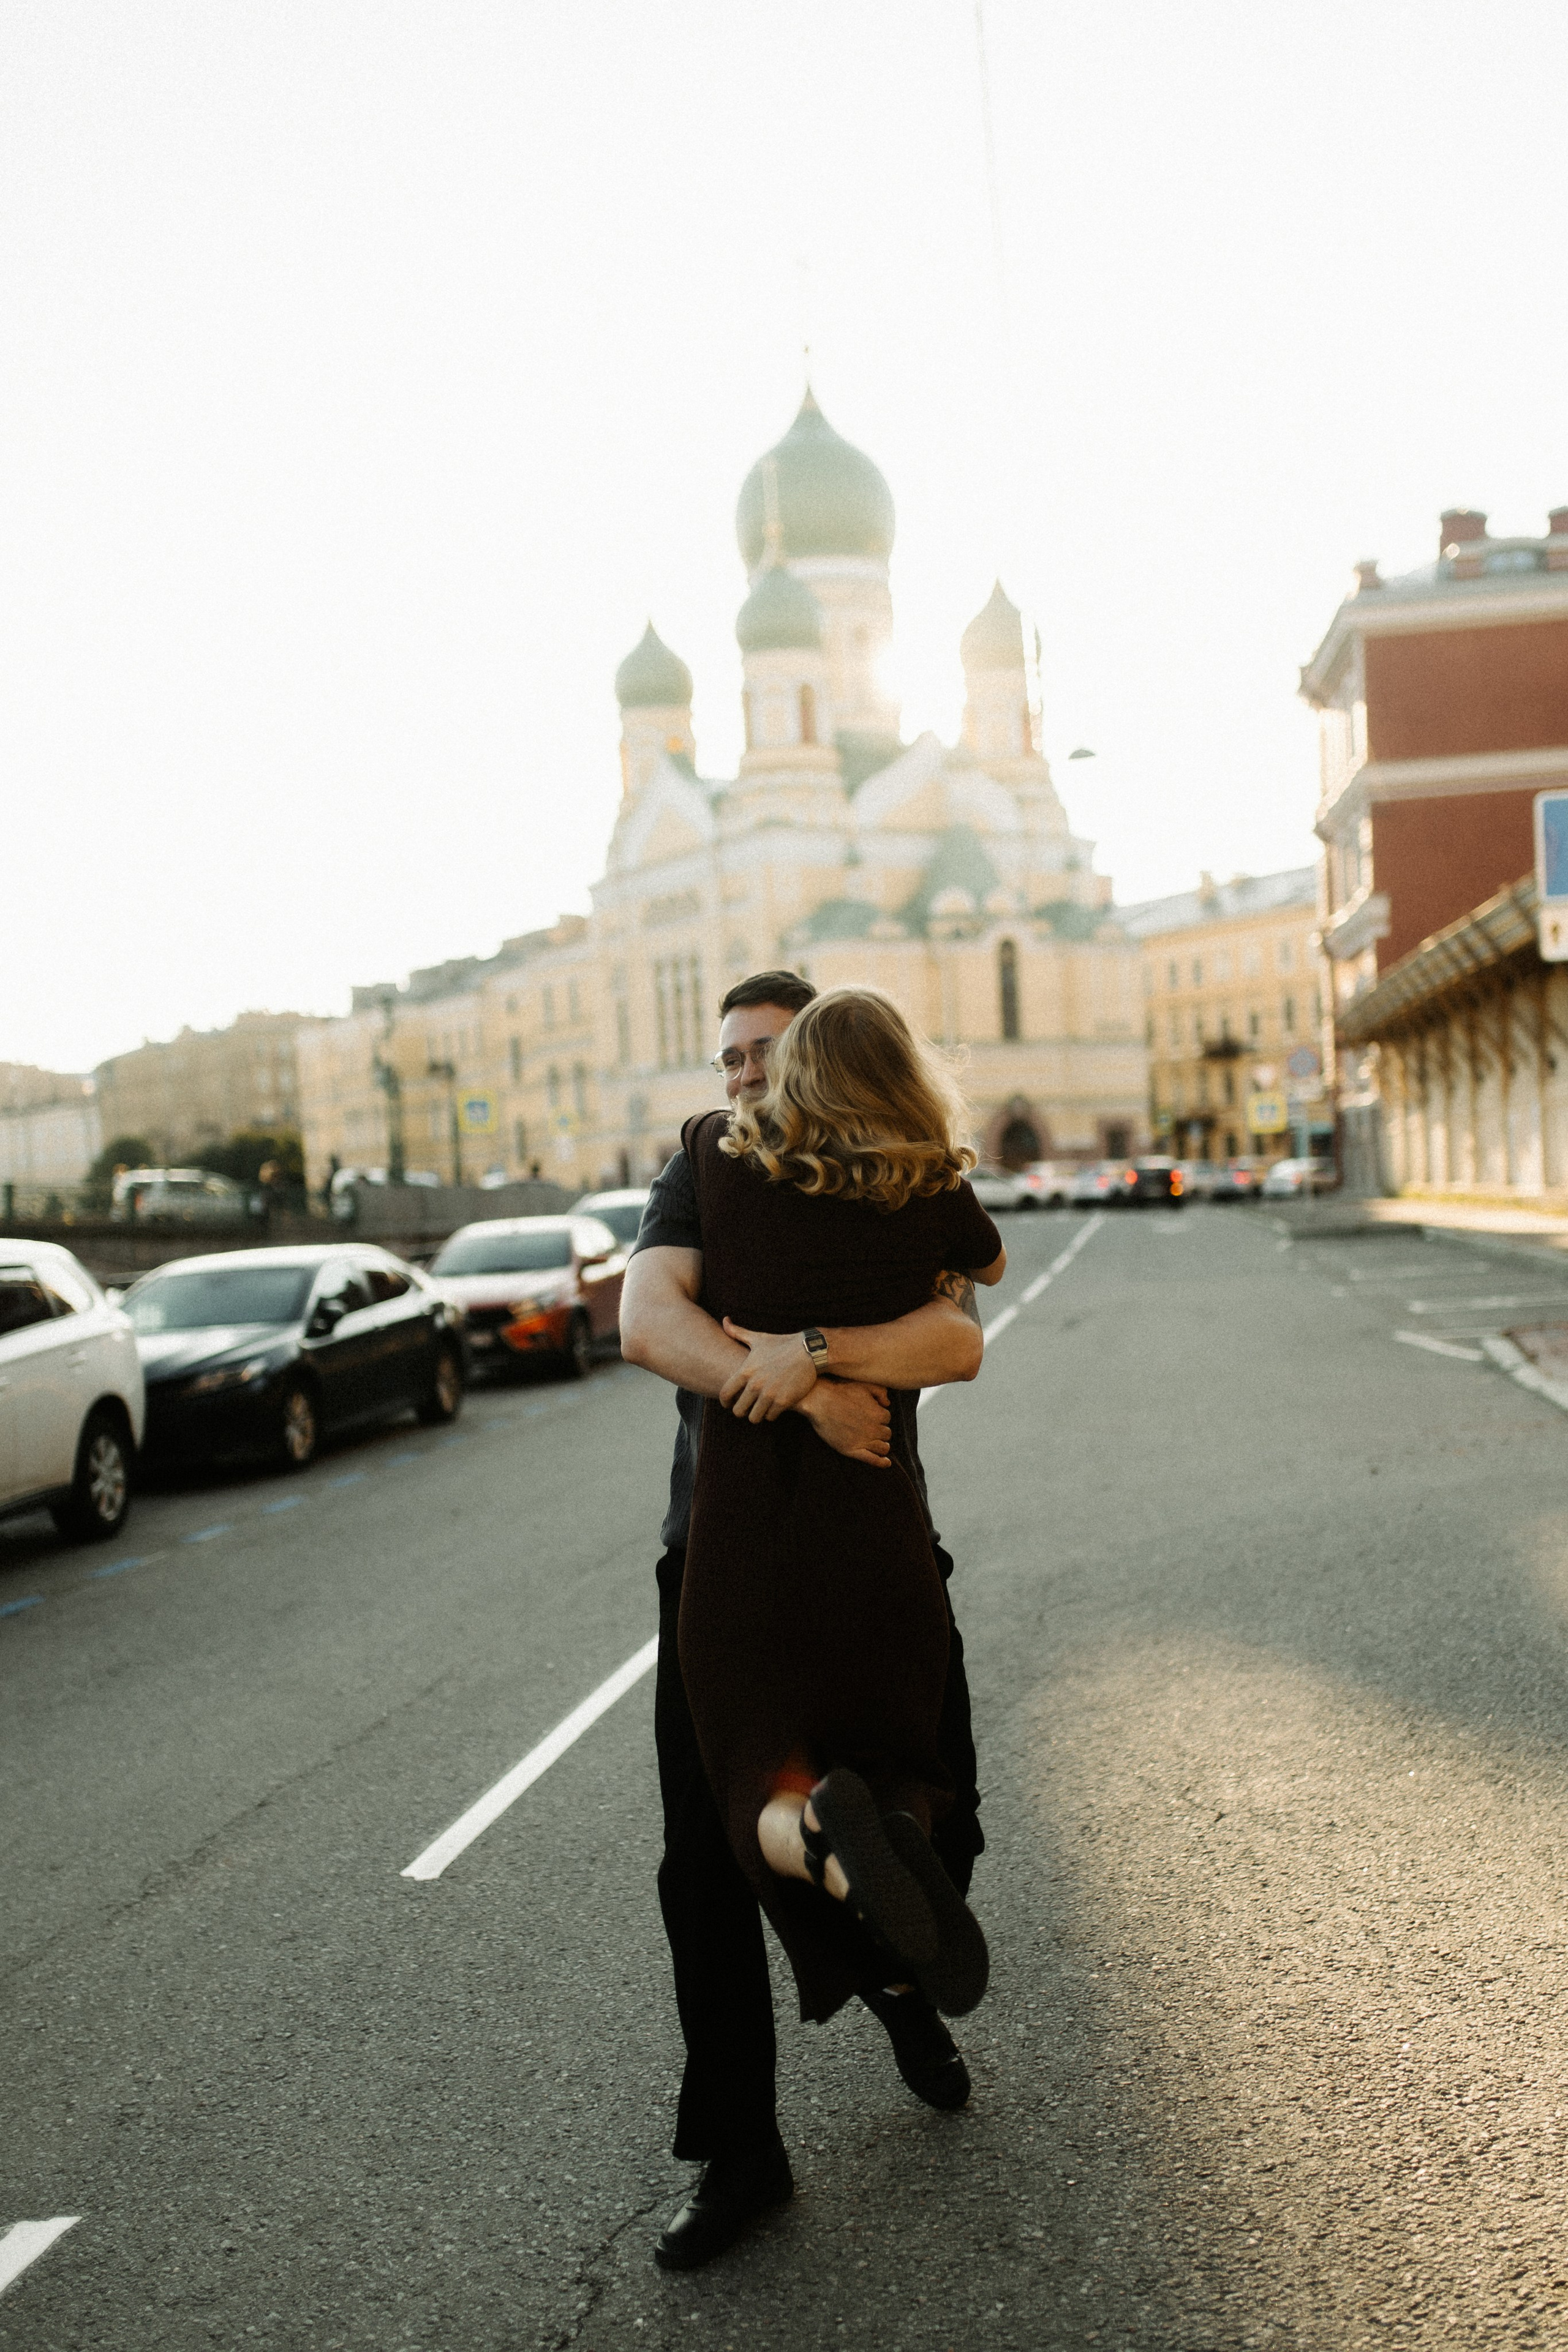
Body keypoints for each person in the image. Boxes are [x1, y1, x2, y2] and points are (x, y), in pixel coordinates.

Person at [620, 971, 998, 2272]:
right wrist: (789, 1385)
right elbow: (646, 1319)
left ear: (824, 1064)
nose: (740, 1075)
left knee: (940, 1815)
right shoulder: (704, 1170)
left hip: (875, 1547)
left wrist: (814, 1350)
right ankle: (741, 2154)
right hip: (713, 1558)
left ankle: (896, 1977)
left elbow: (952, 1336)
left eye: (764, 1053)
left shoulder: (886, 1173)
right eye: (725, 1057)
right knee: (703, 1865)